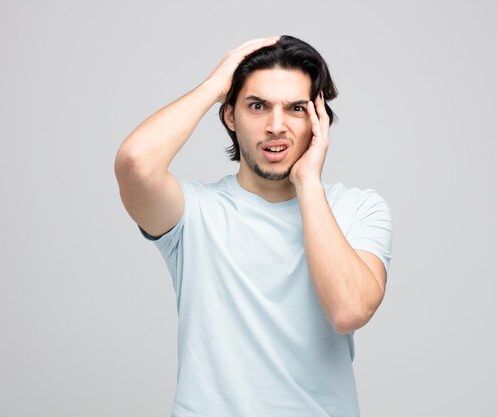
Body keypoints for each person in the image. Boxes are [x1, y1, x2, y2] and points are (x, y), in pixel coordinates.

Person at [114, 35, 392, 417]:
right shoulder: (194, 212)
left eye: (295, 108)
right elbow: (135, 161)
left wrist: (308, 182)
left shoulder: (359, 208)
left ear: (318, 119)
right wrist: (215, 86)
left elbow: (349, 310)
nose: (276, 126)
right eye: (257, 106)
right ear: (230, 115)